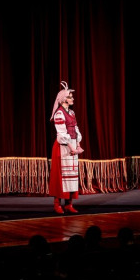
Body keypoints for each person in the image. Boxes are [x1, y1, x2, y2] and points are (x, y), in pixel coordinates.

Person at [49, 81, 84, 214]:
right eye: (70, 97)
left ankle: (69, 204)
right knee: (61, 176)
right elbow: (62, 133)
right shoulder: (59, 113)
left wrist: (78, 144)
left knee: (71, 175)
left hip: (73, 144)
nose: (72, 99)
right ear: (64, 99)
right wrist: (71, 147)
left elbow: (75, 128)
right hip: (63, 147)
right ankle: (57, 204)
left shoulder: (72, 113)